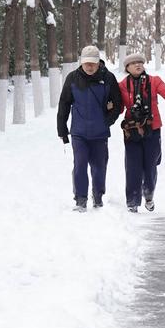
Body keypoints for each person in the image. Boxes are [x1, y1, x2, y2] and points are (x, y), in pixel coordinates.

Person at [57, 44, 122, 211]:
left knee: (99, 166)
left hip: (100, 133)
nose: (90, 66)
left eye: (93, 63)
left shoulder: (108, 78)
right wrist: (62, 130)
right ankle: (80, 198)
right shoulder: (72, 78)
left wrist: (108, 121)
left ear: (99, 62)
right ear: (81, 62)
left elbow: (118, 103)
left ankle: (98, 195)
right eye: (87, 63)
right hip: (79, 133)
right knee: (80, 164)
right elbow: (64, 104)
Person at [118, 52, 165, 213]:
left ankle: (149, 194)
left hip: (152, 130)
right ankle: (132, 201)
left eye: (140, 62)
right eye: (134, 63)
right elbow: (119, 107)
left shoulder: (153, 81)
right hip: (132, 131)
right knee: (132, 167)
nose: (138, 65)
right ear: (127, 68)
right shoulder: (123, 85)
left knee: (150, 165)